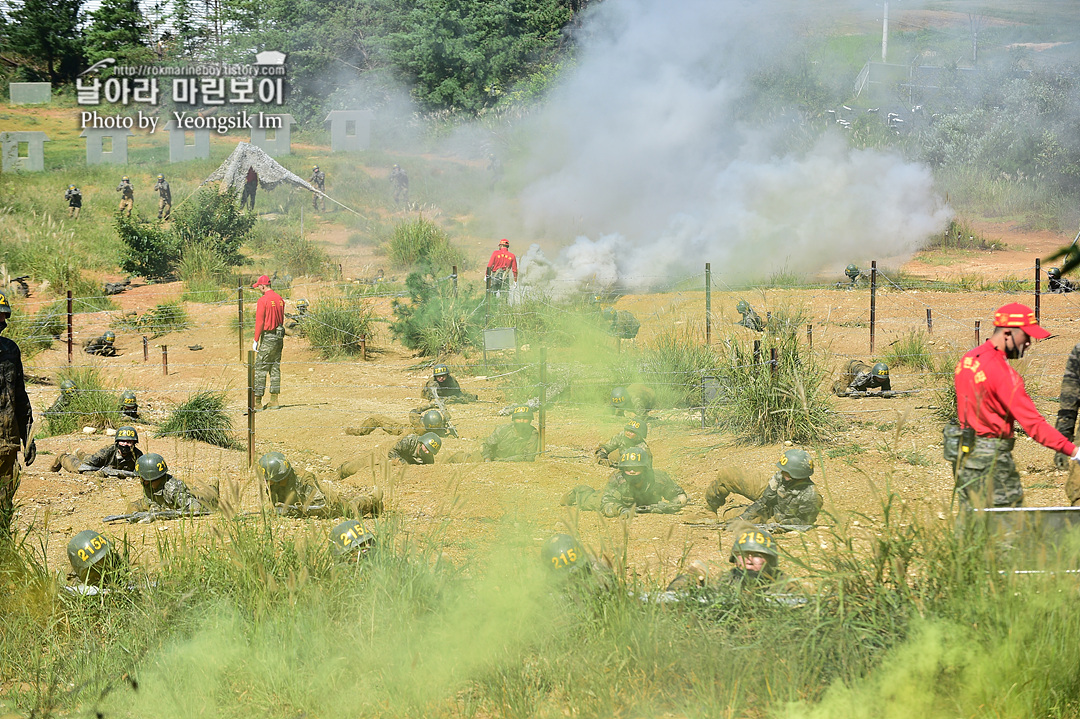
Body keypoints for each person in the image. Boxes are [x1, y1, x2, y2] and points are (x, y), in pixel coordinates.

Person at [954, 303, 1080, 510]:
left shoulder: (968, 359)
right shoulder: (1004, 374)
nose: (1029, 343)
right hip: (993, 458)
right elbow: (1035, 426)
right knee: (1007, 523)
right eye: (1026, 336)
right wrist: (1073, 451)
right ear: (1007, 333)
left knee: (973, 517)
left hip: (964, 453)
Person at [705, 449, 822, 526]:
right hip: (771, 506)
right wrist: (743, 517)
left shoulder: (811, 496)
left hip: (775, 518)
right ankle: (707, 511)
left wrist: (776, 525)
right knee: (728, 475)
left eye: (786, 472)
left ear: (797, 474)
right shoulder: (782, 477)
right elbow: (764, 501)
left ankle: (736, 510)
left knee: (729, 515)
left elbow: (804, 523)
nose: (782, 473)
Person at [665, 524, 790, 596]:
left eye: (757, 555)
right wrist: (692, 579)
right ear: (735, 559)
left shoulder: (784, 584)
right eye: (743, 554)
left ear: (770, 560)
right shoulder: (726, 581)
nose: (749, 560)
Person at [0, 291, 35, 537]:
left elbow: (20, 395)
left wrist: (28, 436)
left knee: (4, 508)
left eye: (4, 317)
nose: (2, 323)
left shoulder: (10, 350)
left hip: (7, 446)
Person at [259, 451, 381, 518]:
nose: (267, 482)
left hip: (330, 504)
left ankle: (373, 498)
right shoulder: (274, 484)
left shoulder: (304, 479)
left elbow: (321, 505)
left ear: (279, 476)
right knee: (346, 499)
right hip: (311, 505)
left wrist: (295, 510)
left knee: (351, 510)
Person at [598, 447, 687, 517]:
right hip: (616, 503)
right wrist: (620, 510)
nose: (632, 472)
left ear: (645, 469)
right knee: (590, 499)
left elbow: (679, 496)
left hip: (647, 504)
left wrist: (669, 507)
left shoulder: (658, 478)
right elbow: (606, 503)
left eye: (636, 468)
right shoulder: (617, 479)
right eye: (628, 469)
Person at [50, 426, 142, 477]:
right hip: (94, 464)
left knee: (88, 457)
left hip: (101, 464)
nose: (125, 444)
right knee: (77, 467)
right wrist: (95, 474)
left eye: (129, 442)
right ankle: (62, 456)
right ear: (117, 442)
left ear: (134, 443)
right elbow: (84, 467)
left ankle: (80, 453)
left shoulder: (138, 455)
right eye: (123, 441)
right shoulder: (107, 451)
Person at [130, 453, 208, 514]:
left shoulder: (173, 489)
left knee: (209, 496)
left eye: (144, 479)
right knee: (133, 506)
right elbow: (152, 503)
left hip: (199, 498)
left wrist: (164, 514)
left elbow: (195, 507)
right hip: (167, 505)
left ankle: (213, 485)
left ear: (154, 477)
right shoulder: (148, 485)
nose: (142, 482)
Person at [251, 274, 285, 410]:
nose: (258, 289)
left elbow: (259, 322)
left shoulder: (263, 300)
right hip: (279, 337)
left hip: (268, 337)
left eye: (259, 286)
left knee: (260, 368)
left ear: (263, 286)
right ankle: (274, 400)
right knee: (275, 367)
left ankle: (257, 402)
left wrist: (256, 340)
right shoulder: (280, 299)